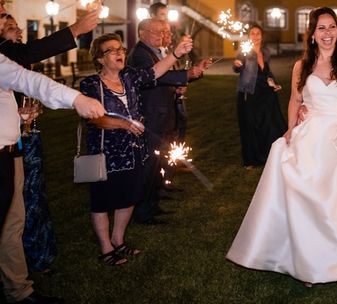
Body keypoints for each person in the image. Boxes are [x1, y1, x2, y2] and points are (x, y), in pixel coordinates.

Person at [227, 8, 337, 286]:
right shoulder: (303, 66)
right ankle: (309, 261)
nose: (327, 33)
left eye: (332, 27)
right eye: (321, 28)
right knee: (308, 195)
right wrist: (290, 128)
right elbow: (294, 100)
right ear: (312, 34)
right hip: (310, 132)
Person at [0, 45, 104, 304]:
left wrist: (16, 117)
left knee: (10, 226)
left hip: (8, 155)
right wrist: (76, 99)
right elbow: (26, 78)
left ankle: (18, 291)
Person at [80, 32, 192, 266]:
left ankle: (118, 240)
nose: (120, 53)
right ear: (100, 58)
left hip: (132, 150)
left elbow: (154, 72)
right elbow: (93, 119)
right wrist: (124, 124)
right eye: (112, 50)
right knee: (102, 201)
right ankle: (105, 248)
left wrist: (175, 53)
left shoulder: (130, 77)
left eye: (120, 48)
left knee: (128, 197)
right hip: (105, 152)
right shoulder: (90, 84)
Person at [127, 19, 209, 224]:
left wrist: (192, 75)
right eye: (158, 32)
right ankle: (143, 212)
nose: (163, 35)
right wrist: (187, 73)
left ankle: (153, 205)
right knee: (148, 166)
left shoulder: (154, 51)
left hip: (163, 115)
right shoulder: (140, 54)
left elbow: (168, 78)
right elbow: (157, 77)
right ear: (142, 33)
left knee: (157, 164)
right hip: (151, 116)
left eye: (164, 31)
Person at [0, 16, 56, 272]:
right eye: (11, 28)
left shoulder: (17, 64)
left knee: (26, 206)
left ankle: (30, 265)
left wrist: (25, 117)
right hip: (9, 148)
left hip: (22, 141)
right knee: (18, 209)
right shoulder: (8, 61)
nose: (19, 31)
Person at [233, 24, 286, 169]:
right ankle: (250, 160)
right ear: (249, 36)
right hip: (248, 94)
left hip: (264, 93)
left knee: (268, 124)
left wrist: (273, 83)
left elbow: (266, 73)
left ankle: (266, 155)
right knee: (249, 127)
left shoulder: (265, 52)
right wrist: (237, 65)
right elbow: (237, 67)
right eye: (252, 33)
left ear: (262, 36)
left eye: (258, 33)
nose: (255, 36)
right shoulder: (244, 51)